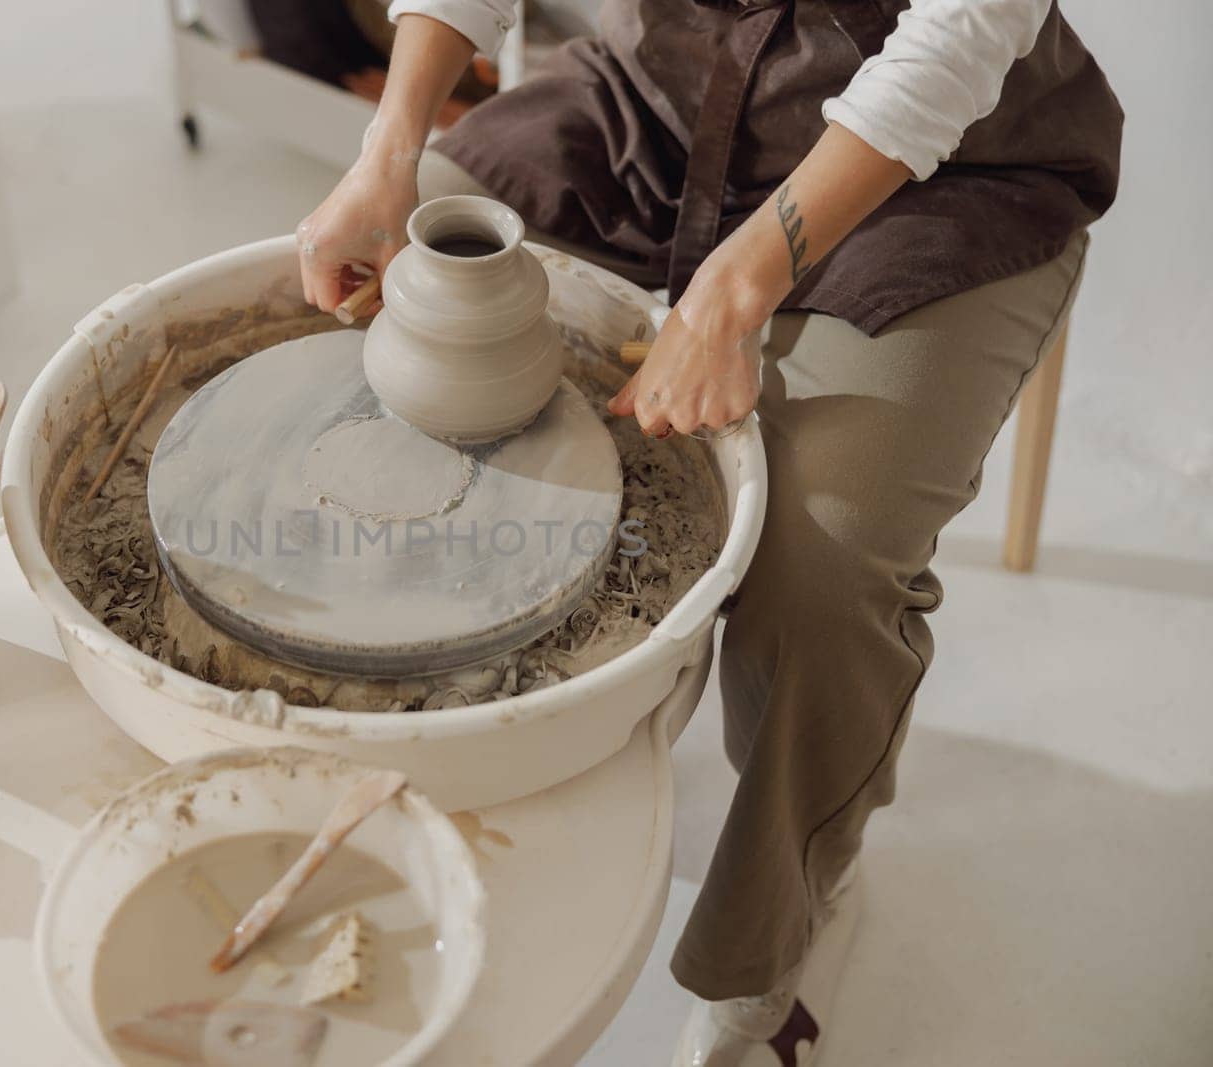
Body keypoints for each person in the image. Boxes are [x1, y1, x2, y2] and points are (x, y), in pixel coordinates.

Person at [295, 1, 1122, 1063]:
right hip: (664, 105)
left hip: (943, 168)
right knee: (398, 299)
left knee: (821, 568)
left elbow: (954, 39)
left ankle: (779, 935)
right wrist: (387, 147)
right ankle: (463, 746)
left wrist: (731, 290)